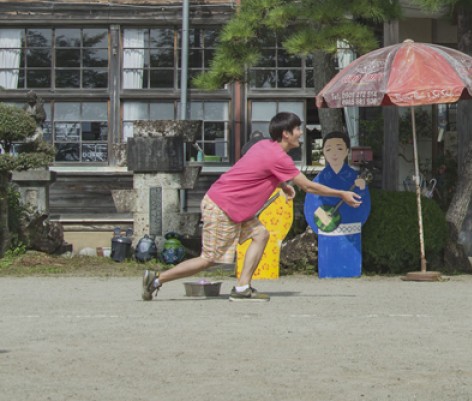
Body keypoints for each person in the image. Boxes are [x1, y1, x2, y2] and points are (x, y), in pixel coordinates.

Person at [140, 112, 362, 302]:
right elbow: (308, 187)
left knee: (260, 233)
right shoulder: (279, 157)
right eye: (297, 129)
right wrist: (341, 193)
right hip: (223, 206)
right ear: (286, 133)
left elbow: (255, 170)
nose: (301, 133)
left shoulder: (264, 145)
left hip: (232, 206)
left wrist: (283, 185)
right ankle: (157, 279)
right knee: (208, 258)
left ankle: (242, 288)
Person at [303, 131, 371, 279]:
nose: (334, 153)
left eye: (339, 148)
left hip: (350, 226)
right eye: (328, 149)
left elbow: (362, 202)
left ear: (347, 151)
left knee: (349, 252)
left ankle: (352, 271)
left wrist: (362, 188)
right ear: (323, 153)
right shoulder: (319, 178)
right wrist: (319, 222)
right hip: (327, 227)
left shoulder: (354, 177)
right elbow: (312, 201)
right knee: (329, 253)